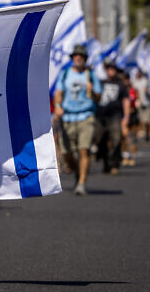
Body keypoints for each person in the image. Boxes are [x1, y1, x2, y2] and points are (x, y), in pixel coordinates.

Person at [53, 44, 101, 196]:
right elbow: (58, 93)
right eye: (75, 55)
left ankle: (81, 183)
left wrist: (92, 90)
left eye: (81, 55)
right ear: (73, 58)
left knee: (84, 149)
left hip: (86, 116)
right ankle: (78, 172)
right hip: (68, 117)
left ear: (85, 58)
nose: (78, 57)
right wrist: (58, 106)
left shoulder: (91, 75)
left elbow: (98, 97)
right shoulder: (66, 73)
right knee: (67, 154)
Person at [95, 59, 129, 175]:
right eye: (109, 68)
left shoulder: (120, 84)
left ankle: (114, 163)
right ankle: (105, 161)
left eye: (113, 68)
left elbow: (126, 100)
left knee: (116, 139)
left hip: (115, 116)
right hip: (100, 116)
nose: (111, 71)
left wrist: (126, 117)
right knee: (99, 140)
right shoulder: (100, 82)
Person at [132, 69, 150, 143]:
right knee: (139, 120)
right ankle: (137, 136)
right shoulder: (134, 82)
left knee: (147, 121)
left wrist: (147, 91)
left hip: (146, 103)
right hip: (139, 104)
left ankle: (147, 135)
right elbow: (132, 92)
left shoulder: (146, 81)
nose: (137, 74)